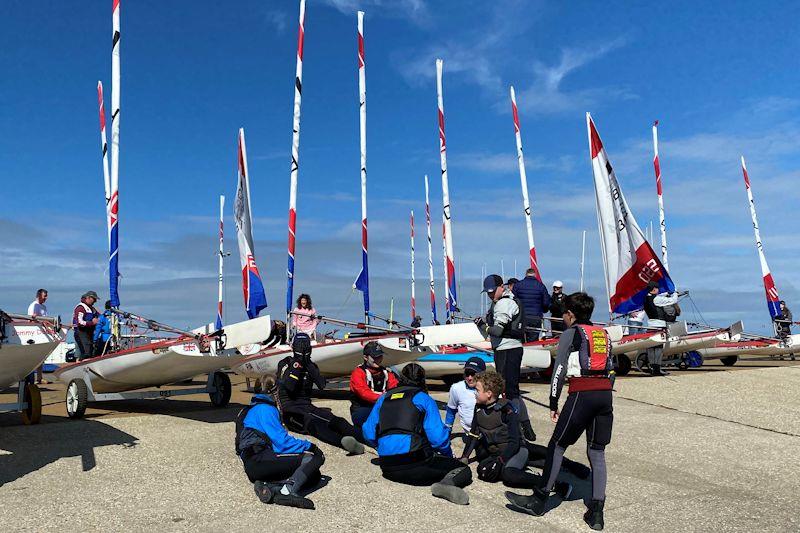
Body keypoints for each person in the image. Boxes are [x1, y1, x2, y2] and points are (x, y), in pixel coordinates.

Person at [506, 292, 614, 531]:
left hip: (582, 395)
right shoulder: (603, 334)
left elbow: (559, 370)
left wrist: (553, 401)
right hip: (605, 396)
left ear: (570, 314)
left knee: (557, 446)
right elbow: (612, 369)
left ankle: (539, 500)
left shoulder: (570, 334)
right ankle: (596, 513)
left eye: (564, 314)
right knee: (597, 452)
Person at [362, 363, 472, 505]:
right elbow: (438, 439)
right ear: (422, 380)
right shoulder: (423, 398)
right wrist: (448, 456)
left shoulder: (384, 398)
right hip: (415, 465)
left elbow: (368, 432)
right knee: (463, 469)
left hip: (387, 468)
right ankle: (446, 484)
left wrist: (382, 446)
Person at [459, 371, 573, 497]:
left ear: (489, 394)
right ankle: (532, 465)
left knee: (509, 476)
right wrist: (464, 458)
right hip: (498, 453)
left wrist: (500, 461)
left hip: (517, 450)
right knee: (483, 471)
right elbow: (474, 434)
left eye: (477, 390)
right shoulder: (479, 408)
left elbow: (514, 443)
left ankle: (554, 485)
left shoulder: (506, 410)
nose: (475, 393)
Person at [236, 374, 324, 510]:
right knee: (313, 459)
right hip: (259, 458)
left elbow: (238, 447)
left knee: (313, 476)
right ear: (273, 391)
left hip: (252, 462)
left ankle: (270, 487)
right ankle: (287, 492)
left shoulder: (247, 410)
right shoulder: (266, 409)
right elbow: (282, 443)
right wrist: (310, 446)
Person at [276, 333, 364, 455]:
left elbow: (322, 385)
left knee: (338, 421)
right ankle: (343, 442)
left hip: (308, 407)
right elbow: (289, 387)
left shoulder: (311, 365)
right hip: (290, 412)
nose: (304, 350)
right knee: (314, 425)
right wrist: (297, 367)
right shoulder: (286, 364)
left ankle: (369, 439)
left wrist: (309, 365)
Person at [476, 274, 536, 443]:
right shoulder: (499, 303)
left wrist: (482, 325)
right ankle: (525, 426)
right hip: (506, 350)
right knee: (511, 391)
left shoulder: (504, 303)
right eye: (487, 292)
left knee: (509, 392)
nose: (490, 295)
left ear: (501, 287)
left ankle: (518, 427)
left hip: (509, 350)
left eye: (492, 291)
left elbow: (497, 331)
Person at [349, 341, 399, 443]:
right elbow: (364, 393)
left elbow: (395, 388)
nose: (378, 359)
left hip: (381, 408)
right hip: (362, 409)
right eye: (375, 357)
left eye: (380, 356)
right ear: (365, 357)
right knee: (375, 425)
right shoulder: (358, 373)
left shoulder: (387, 373)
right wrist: (385, 397)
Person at [643, 281, 679, 376]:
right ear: (654, 289)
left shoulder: (646, 298)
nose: (658, 290)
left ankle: (653, 369)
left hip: (650, 325)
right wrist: (675, 293)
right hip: (659, 326)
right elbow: (673, 301)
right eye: (657, 288)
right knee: (658, 348)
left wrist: (666, 293)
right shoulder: (657, 299)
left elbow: (660, 296)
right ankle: (657, 369)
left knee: (651, 348)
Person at [444, 356, 485, 435]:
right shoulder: (456, 388)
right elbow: (451, 411)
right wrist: (447, 432)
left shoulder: (490, 388)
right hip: (470, 434)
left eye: (473, 374)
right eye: (467, 373)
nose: (469, 378)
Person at [512, 268, 551, 341]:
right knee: (533, 340)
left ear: (526, 274)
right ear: (535, 275)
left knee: (521, 339)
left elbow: (513, 301)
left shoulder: (518, 285)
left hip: (521, 317)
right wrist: (544, 310)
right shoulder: (541, 286)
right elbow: (546, 303)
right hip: (535, 317)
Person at [27, 289, 49, 384]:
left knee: (41, 357)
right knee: (33, 357)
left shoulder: (43, 307)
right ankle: (31, 378)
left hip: (42, 332)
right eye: (45, 296)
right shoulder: (33, 306)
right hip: (34, 333)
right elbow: (31, 320)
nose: (46, 298)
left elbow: (46, 320)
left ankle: (39, 377)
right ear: (39, 295)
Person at [73, 291, 99, 360]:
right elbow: (80, 322)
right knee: (86, 353)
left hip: (89, 333)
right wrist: (92, 323)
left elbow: (98, 316)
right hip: (81, 332)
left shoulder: (91, 308)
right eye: (94, 299)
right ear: (88, 298)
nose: (95, 301)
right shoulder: (81, 307)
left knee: (90, 352)